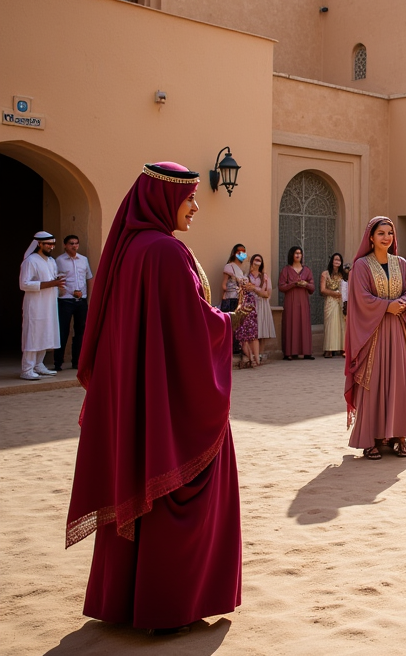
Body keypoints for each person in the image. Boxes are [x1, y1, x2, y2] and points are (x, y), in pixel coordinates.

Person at [66, 162, 244, 631]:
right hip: (171, 401)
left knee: (135, 480)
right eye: (189, 198)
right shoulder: (165, 252)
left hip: (140, 396)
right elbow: (190, 327)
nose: (196, 206)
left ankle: (125, 602)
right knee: (178, 486)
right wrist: (228, 322)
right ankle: (169, 606)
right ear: (164, 199)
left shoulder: (130, 249)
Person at [344, 217, 406, 459]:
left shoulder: (400, 264)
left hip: (398, 331)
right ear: (371, 237)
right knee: (375, 381)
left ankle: (400, 436)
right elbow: (360, 298)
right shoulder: (361, 266)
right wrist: (386, 307)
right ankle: (372, 439)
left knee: (400, 381)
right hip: (373, 333)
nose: (387, 237)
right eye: (381, 233)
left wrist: (403, 303)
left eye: (390, 233)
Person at [19, 231, 63, 380]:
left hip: (49, 303)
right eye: (48, 244)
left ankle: (39, 365)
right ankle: (27, 369)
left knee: (45, 333)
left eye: (53, 244)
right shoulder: (30, 261)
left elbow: (51, 279)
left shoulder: (51, 261)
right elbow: (24, 284)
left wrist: (57, 282)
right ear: (39, 244)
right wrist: (52, 283)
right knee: (33, 335)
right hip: (35, 305)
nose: (51, 247)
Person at [54, 234, 93, 372]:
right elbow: (55, 279)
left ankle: (77, 361)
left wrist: (88, 296)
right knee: (63, 331)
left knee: (81, 331)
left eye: (76, 243)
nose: (74, 246)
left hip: (81, 300)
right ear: (65, 245)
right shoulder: (59, 260)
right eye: (71, 243)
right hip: (65, 300)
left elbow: (88, 277)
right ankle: (58, 362)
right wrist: (62, 292)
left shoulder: (83, 260)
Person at [278, 246, 314, 360]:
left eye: (300, 253)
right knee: (290, 324)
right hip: (291, 301)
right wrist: (293, 284)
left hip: (303, 301)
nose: (298, 255)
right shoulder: (286, 270)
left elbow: (312, 288)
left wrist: (305, 284)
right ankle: (289, 353)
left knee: (303, 324)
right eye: (296, 253)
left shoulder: (307, 270)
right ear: (291, 255)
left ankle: (306, 352)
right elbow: (281, 286)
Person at [247, 254, 275, 361]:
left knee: (262, 331)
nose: (257, 261)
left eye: (259, 260)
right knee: (251, 331)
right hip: (250, 305)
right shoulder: (246, 276)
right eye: (255, 259)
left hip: (262, 305)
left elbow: (267, 294)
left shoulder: (265, 277)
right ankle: (252, 355)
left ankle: (260, 355)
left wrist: (254, 289)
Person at [321, 253, 348, 358]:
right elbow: (322, 290)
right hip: (330, 300)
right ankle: (329, 349)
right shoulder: (325, 274)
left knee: (342, 324)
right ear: (331, 261)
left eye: (339, 260)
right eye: (335, 259)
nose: (337, 262)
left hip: (341, 301)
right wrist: (334, 293)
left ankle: (343, 348)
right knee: (331, 324)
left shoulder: (343, 274)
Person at [234, 278, 260, 368]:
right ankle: (252, 360)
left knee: (247, 340)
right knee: (244, 341)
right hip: (243, 320)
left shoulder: (248, 296)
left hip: (248, 320)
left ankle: (254, 360)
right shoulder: (241, 295)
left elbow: (249, 308)